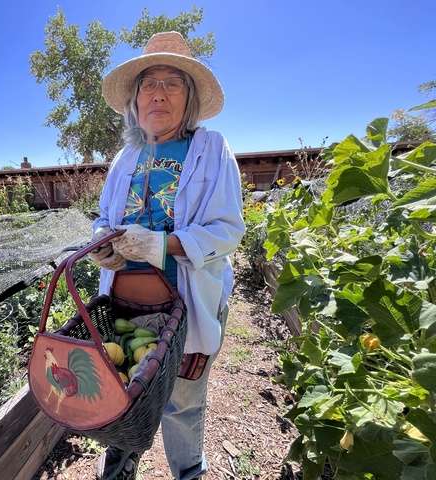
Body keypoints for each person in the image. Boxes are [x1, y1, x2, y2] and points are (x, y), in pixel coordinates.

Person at [89, 31, 245, 480]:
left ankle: (188, 471)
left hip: (185, 305)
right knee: (122, 391)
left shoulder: (211, 149)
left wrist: (165, 246)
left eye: (172, 82)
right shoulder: (125, 157)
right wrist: (104, 243)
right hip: (127, 303)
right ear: (135, 101)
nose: (158, 93)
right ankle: (117, 469)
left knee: (181, 402)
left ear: (189, 97)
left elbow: (228, 230)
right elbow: (104, 216)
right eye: (148, 84)